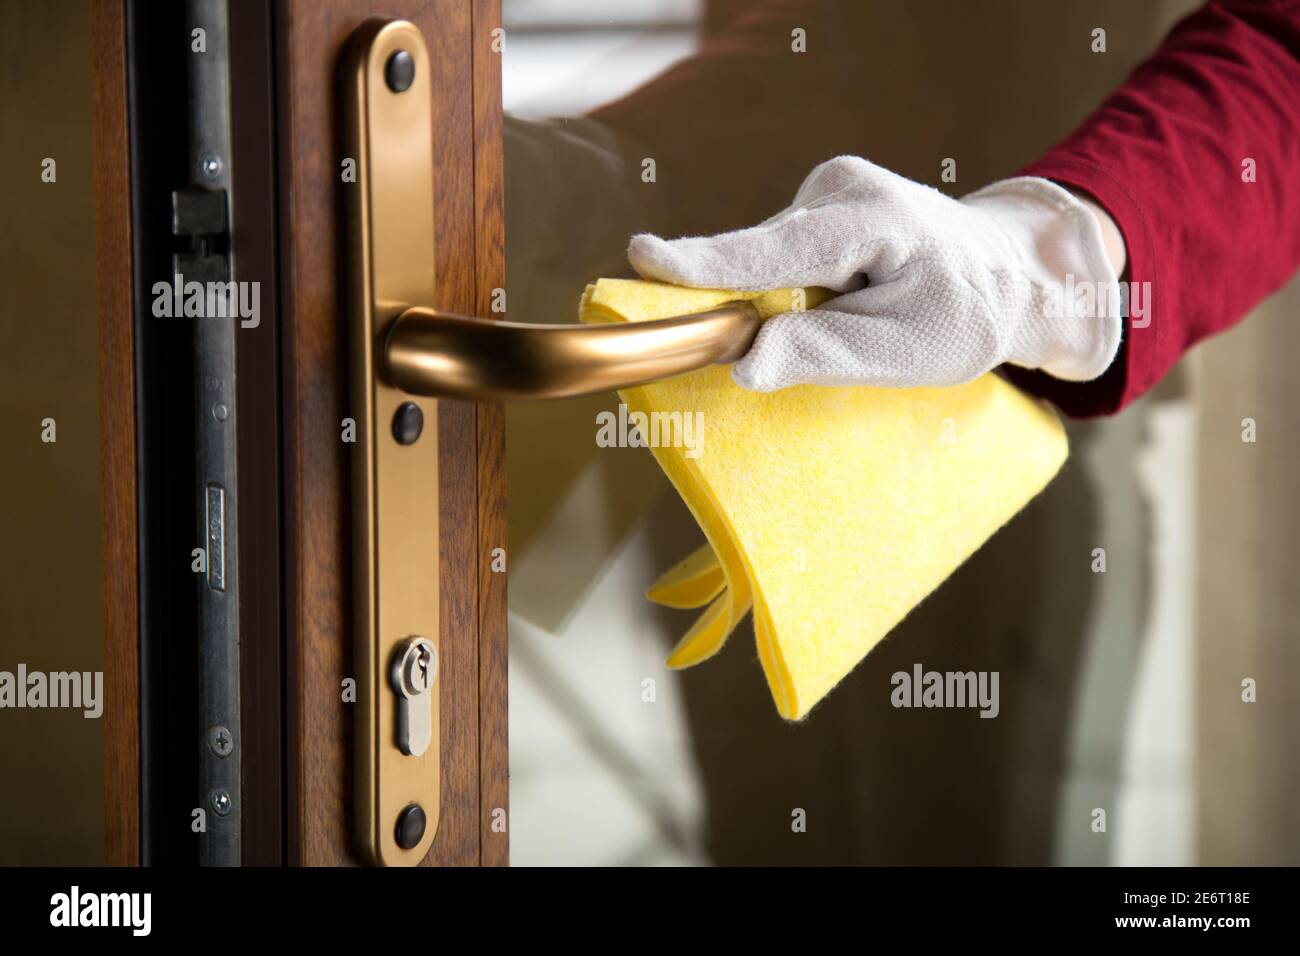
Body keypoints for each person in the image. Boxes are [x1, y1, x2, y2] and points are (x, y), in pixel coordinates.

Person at [568, 0, 1299, 417]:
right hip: (709, 353)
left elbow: (1283, 53)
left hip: (1000, 416)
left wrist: (1034, 263)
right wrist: (605, 168)